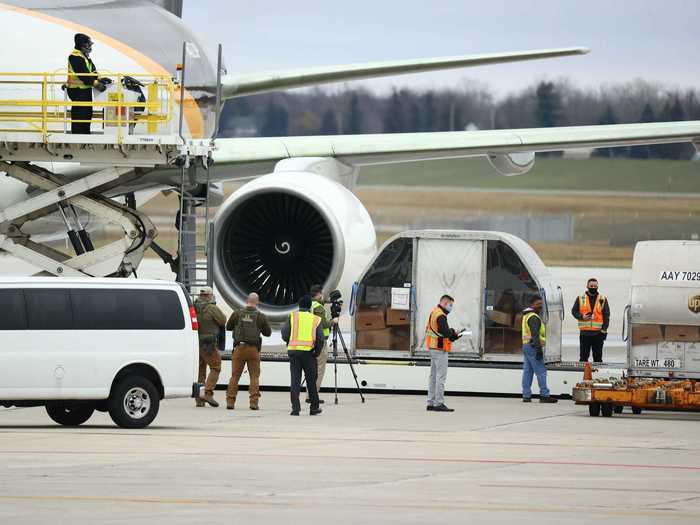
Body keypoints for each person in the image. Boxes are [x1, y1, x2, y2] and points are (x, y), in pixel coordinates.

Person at [225, 292, 271, 410]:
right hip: (253, 350)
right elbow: (268, 333)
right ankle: (253, 402)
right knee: (254, 377)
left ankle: (230, 401)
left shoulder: (237, 313)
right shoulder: (260, 316)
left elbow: (228, 327)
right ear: (257, 302)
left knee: (235, 376)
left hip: (239, 349)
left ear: (247, 301)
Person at [281, 295, 324, 416]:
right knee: (311, 380)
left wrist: (289, 342)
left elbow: (284, 333)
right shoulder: (315, 319)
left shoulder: (292, 316)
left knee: (295, 379)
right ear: (310, 306)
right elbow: (320, 338)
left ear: (299, 306)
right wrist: (317, 351)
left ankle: (295, 408)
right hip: (308, 353)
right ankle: (314, 407)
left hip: (293, 352)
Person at [425, 294, 462, 412]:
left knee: (433, 377)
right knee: (440, 377)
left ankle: (430, 402)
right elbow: (445, 332)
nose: (451, 307)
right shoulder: (441, 315)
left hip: (433, 348)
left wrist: (452, 335)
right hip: (440, 349)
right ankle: (439, 403)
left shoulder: (434, 312)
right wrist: (454, 333)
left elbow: (439, 332)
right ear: (445, 303)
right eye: (450, 305)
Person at [66, 33, 107, 134]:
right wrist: (96, 84)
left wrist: (100, 79)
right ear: (82, 45)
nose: (90, 47)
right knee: (80, 114)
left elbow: (92, 70)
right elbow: (83, 74)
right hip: (77, 90)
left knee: (87, 113)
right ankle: (78, 136)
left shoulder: (84, 56)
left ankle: (85, 134)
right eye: (88, 45)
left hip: (85, 89)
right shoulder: (75, 57)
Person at [521, 294, 558, 403]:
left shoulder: (526, 315)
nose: (540, 306)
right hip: (533, 346)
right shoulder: (533, 317)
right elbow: (535, 334)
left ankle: (526, 395)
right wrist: (538, 350)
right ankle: (544, 395)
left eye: (541, 304)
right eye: (538, 304)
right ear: (532, 304)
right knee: (541, 371)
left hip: (526, 345)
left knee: (528, 371)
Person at [194, 287, 226, 407]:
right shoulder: (212, 308)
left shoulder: (194, 307)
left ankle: (199, 399)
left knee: (201, 370)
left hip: (197, 343)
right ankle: (207, 392)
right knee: (216, 367)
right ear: (209, 296)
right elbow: (223, 320)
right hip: (209, 344)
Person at [308, 284, 335, 404]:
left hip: (310, 339)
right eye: (322, 293)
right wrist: (333, 322)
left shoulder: (309, 305)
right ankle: (313, 395)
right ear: (318, 294)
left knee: (312, 369)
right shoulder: (318, 307)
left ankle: (310, 394)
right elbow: (322, 324)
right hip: (320, 340)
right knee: (319, 369)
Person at [571, 278, 610, 363]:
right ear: (587, 286)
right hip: (585, 333)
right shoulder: (580, 298)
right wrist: (582, 317)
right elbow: (574, 311)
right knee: (583, 358)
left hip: (598, 334)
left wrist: (604, 330)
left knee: (598, 358)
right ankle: (584, 376)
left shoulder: (602, 299)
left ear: (597, 286)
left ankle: (598, 376)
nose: (593, 287)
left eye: (595, 286)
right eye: (591, 286)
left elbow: (606, 316)